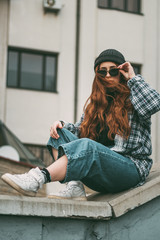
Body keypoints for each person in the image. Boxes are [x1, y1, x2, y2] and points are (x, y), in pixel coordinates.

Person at [2, 49, 160, 200]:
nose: (107, 75)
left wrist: (132, 77)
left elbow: (154, 103)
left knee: (89, 147)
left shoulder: (134, 98)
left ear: (121, 73)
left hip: (130, 169)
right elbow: (80, 132)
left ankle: (36, 179)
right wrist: (62, 125)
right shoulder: (96, 104)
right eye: (102, 71)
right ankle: (74, 185)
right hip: (101, 173)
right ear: (97, 75)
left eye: (113, 71)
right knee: (59, 134)